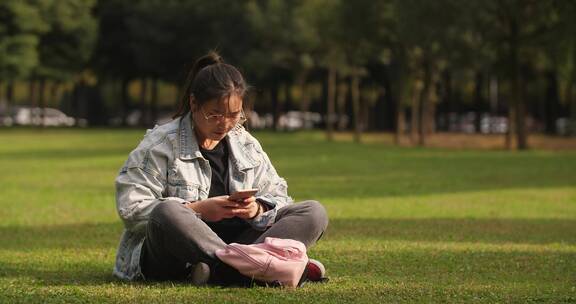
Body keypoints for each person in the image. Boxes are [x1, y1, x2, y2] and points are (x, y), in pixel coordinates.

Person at [113, 51, 329, 286]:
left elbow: (280, 195)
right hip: (175, 256)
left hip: (237, 245)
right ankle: (263, 268)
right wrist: (198, 210)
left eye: (234, 115)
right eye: (215, 114)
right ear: (194, 103)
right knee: (167, 212)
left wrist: (257, 208)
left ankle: (224, 271)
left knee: (313, 212)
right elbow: (132, 208)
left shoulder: (245, 143)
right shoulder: (159, 144)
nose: (225, 124)